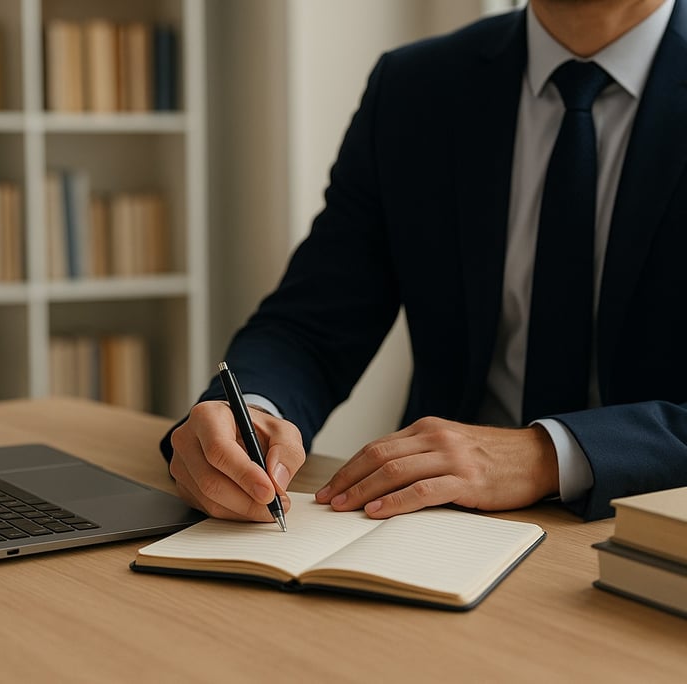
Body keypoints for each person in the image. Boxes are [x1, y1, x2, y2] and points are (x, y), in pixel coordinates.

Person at [162, 0, 687, 524]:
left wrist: (550, 454)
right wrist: (250, 411)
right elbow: (311, 324)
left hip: (649, 531)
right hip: (433, 523)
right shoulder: (417, 86)